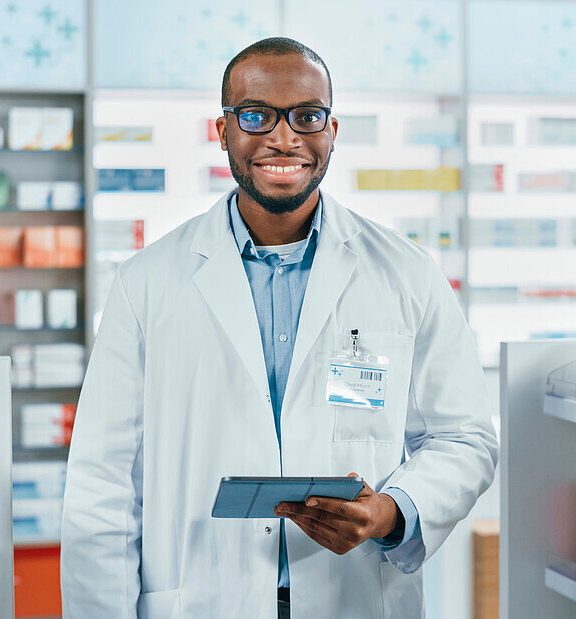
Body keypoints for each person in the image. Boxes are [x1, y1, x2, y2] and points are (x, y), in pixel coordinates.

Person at [61, 37, 498, 619]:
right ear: (224, 131)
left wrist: (390, 512)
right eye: (256, 115)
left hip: (354, 594)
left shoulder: (406, 273)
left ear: (333, 130)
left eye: (306, 116)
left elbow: (465, 438)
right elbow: (103, 483)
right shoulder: (147, 283)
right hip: (202, 597)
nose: (283, 138)